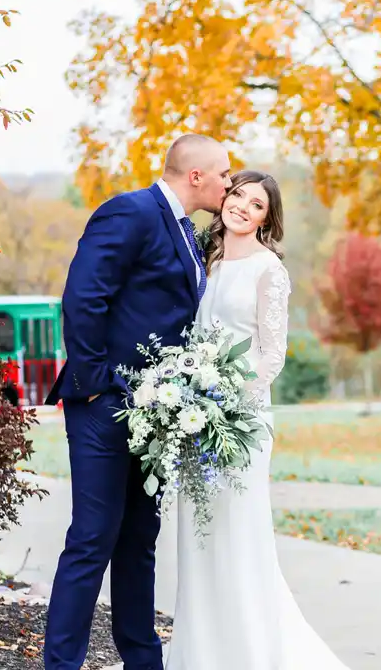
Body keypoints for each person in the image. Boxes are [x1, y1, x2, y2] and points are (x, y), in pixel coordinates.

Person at [43, 134, 233, 670]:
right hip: (104, 406)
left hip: (156, 413)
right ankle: (60, 664)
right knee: (92, 538)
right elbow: (84, 295)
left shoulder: (188, 233)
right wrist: (100, 382)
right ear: (195, 176)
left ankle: (143, 661)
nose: (228, 181)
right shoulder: (129, 212)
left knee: (138, 539)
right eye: (222, 172)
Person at [164, 170, 349, 670]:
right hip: (193, 420)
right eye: (240, 195)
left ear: (268, 219)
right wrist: (187, 400)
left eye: (258, 205)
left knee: (238, 538)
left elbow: (272, 357)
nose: (244, 207)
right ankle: (200, 653)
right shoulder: (204, 257)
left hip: (238, 424)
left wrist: (224, 403)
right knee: (198, 540)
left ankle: (249, 654)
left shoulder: (270, 270)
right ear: (225, 197)